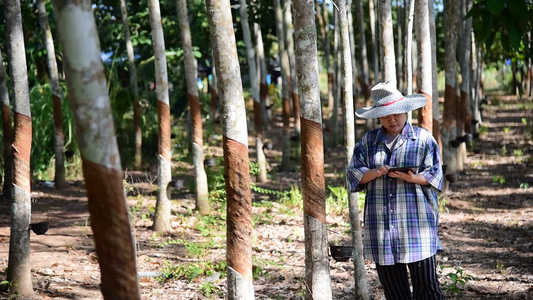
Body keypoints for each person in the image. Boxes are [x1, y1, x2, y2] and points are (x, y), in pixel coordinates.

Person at [347, 82, 444, 300]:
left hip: (417, 227)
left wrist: (413, 178)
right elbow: (354, 174)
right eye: (386, 115)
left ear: (405, 111)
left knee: (428, 290)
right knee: (395, 293)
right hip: (381, 230)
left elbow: (435, 175)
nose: (392, 120)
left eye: (397, 114)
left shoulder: (422, 139)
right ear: (378, 117)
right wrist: (377, 172)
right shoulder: (368, 141)